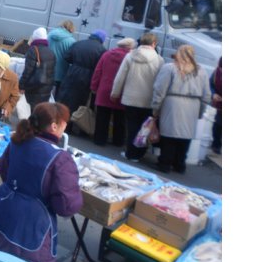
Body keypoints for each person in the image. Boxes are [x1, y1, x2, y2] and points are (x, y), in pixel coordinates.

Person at [0, 103, 83, 262]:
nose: (65, 126)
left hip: (4, 209)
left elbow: (4, 171)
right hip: (33, 223)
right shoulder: (60, 159)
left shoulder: (18, 141)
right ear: (54, 126)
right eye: (64, 123)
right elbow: (67, 207)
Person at [151, 45, 211, 174]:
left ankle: (165, 163)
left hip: (172, 104)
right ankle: (179, 164)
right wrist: (201, 111)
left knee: (169, 135)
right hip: (193, 105)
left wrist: (156, 108)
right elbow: (206, 94)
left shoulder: (170, 68)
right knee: (185, 135)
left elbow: (159, 89)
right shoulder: (201, 71)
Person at [110, 32, 164, 162]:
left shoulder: (130, 56)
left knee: (132, 126)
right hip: (148, 100)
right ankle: (139, 153)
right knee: (144, 127)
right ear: (154, 43)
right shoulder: (159, 60)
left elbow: (120, 76)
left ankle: (130, 153)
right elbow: (160, 82)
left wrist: (115, 93)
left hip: (130, 98)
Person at [90, 37, 136, 147]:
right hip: (121, 91)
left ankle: (99, 140)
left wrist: (94, 87)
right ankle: (118, 141)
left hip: (104, 89)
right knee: (120, 118)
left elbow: (98, 71)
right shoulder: (130, 58)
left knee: (102, 117)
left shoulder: (106, 54)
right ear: (130, 47)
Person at [56, 29, 107, 117]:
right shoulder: (102, 50)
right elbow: (100, 67)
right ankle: (75, 123)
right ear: (102, 39)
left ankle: (62, 120)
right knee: (80, 101)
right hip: (88, 77)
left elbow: (67, 57)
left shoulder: (78, 43)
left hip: (72, 73)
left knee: (66, 97)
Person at [19, 27, 56, 109]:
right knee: (41, 111)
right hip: (46, 89)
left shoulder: (33, 50)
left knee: (30, 111)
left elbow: (28, 71)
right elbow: (52, 72)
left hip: (34, 89)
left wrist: (21, 85)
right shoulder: (51, 52)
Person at [48, 20, 76, 95]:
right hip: (61, 74)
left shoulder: (50, 35)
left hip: (46, 70)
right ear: (71, 28)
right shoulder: (71, 41)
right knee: (56, 96)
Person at [210, 57, 222, 154]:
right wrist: (213, 94)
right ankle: (216, 145)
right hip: (218, 105)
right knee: (217, 125)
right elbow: (211, 85)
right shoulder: (216, 72)